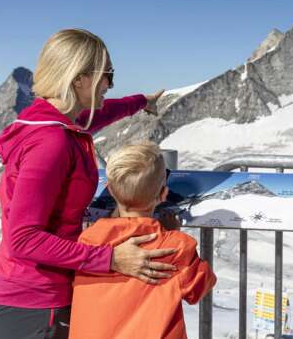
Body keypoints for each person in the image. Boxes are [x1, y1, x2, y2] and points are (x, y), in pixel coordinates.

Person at [0, 29, 175, 339]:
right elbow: (24, 238)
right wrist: (111, 259)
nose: (110, 85)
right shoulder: (51, 143)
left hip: (28, 297)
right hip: (34, 306)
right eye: (107, 75)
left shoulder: (46, 119)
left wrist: (141, 102)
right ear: (78, 79)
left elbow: (97, 114)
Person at [69, 142, 216, 338]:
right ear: (163, 194)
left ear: (110, 190)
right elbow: (199, 287)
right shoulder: (175, 247)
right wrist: (173, 235)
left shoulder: (89, 240)